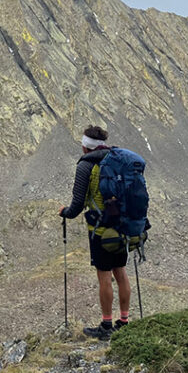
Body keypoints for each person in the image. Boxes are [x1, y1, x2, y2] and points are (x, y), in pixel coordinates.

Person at [58, 125, 132, 340]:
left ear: (85, 146)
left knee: (104, 276)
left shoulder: (86, 166)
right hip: (122, 226)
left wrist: (65, 212)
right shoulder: (117, 160)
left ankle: (106, 325)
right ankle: (124, 321)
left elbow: (77, 205)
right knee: (120, 271)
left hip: (100, 229)